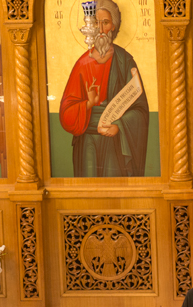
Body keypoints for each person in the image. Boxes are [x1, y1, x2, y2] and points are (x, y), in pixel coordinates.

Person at [59, 0, 149, 177]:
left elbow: (140, 110)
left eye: (105, 23)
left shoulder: (125, 61)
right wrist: (87, 104)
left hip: (115, 141)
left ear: (114, 26)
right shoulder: (82, 64)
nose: (100, 29)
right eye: (95, 23)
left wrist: (119, 127)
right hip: (87, 141)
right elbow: (66, 114)